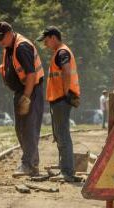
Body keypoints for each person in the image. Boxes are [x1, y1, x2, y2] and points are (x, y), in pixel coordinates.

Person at [0, 22, 44, 177]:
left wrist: (26, 97)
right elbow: (12, 66)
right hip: (22, 91)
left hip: (31, 90)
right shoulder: (9, 47)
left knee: (28, 129)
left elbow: (31, 75)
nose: (0, 42)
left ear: (10, 32)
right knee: (20, 129)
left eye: (2, 38)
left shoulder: (21, 47)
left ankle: (28, 164)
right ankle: (32, 163)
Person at [37, 26, 81, 182]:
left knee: (63, 135)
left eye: (46, 40)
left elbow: (67, 71)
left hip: (62, 99)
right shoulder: (59, 52)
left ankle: (67, 172)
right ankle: (64, 169)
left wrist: (65, 93)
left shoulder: (62, 52)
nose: (45, 44)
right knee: (60, 135)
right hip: (59, 99)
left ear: (54, 37)